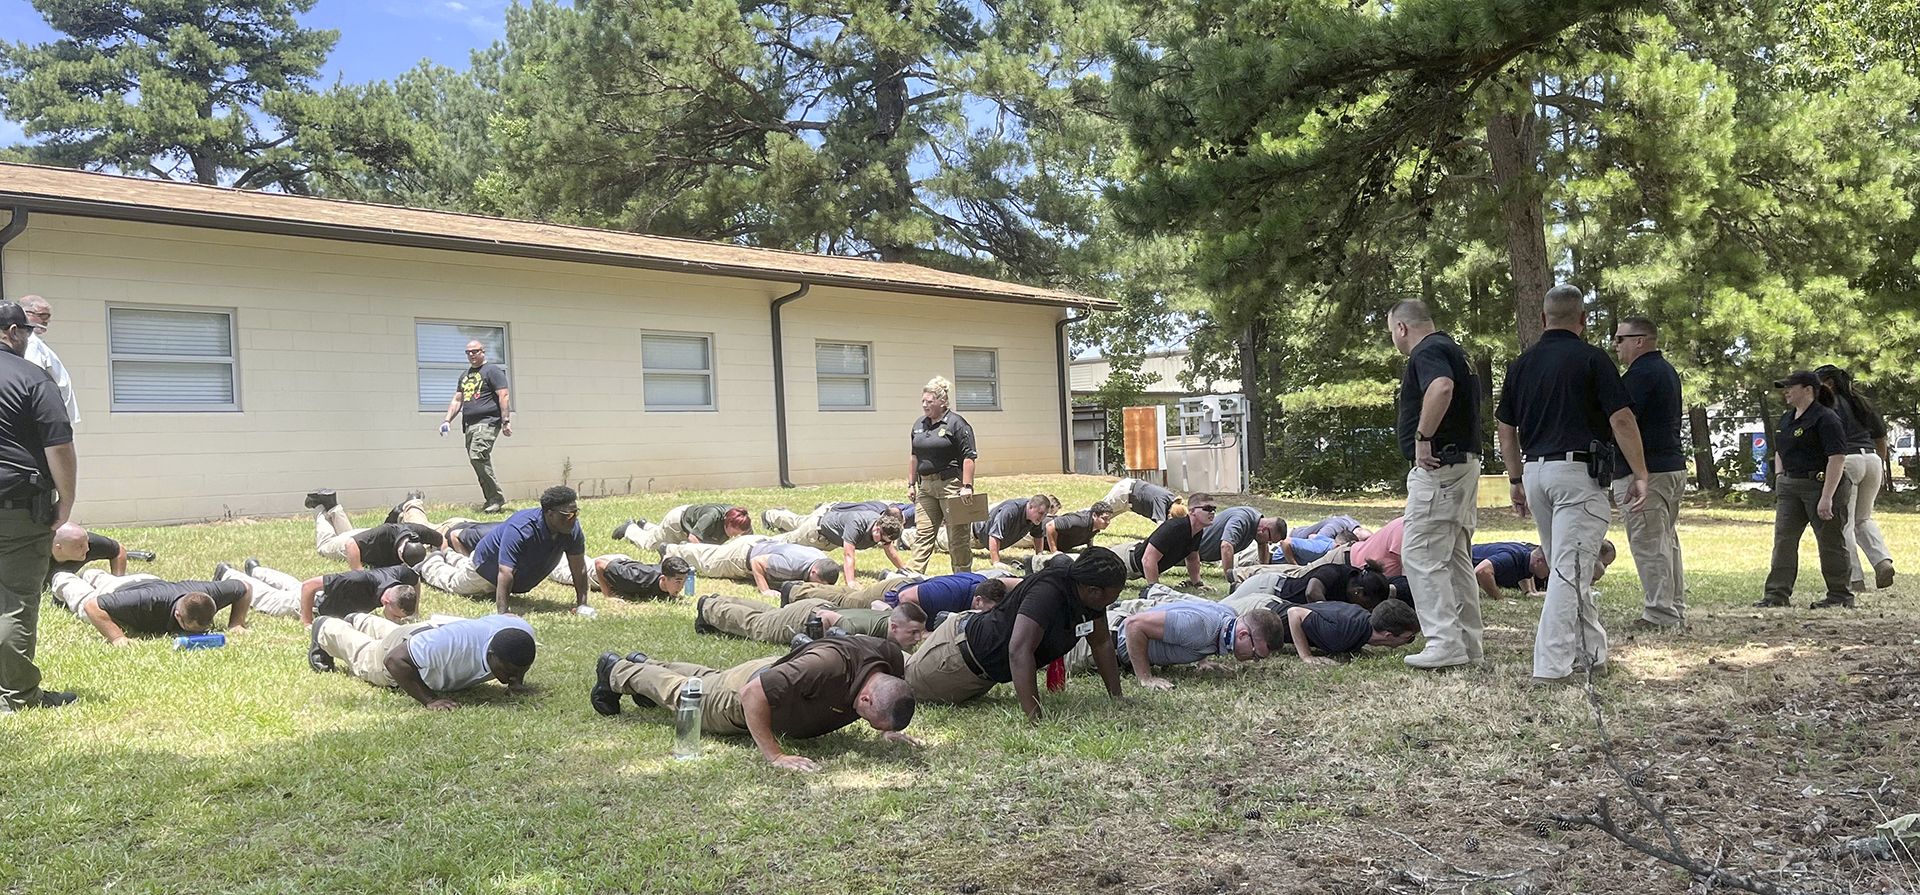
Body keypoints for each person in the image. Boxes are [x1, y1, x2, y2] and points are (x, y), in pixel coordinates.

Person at [1496, 285, 1650, 685]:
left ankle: (1593, 652)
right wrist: (1640, 472)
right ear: (1582, 320)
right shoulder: (1592, 359)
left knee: (1570, 566)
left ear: (1544, 319)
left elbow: (1506, 428)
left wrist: (1515, 478)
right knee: (1569, 571)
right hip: (1577, 477)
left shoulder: (1521, 363)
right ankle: (1550, 666)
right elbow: (1621, 420)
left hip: (1536, 474)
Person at [589, 635, 919, 772]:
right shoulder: (826, 667)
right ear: (865, 698)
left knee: (711, 677)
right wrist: (775, 755)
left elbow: (893, 690)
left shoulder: (888, 659)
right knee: (686, 696)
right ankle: (618, 669)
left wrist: (886, 730)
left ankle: (646, 662)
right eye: (871, 721)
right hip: (748, 694)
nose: (868, 725)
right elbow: (752, 695)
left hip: (778, 672)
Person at [905, 547, 1129, 722]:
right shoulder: (1048, 592)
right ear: (1093, 590)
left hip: (983, 672)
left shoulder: (1090, 599)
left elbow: (1101, 644)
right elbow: (1019, 650)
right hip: (955, 657)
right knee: (904, 685)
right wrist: (1035, 718)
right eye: (1115, 592)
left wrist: (1117, 698)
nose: (1117, 596)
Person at [1388, 298, 1485, 671]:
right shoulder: (1453, 349)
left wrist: (1423, 436)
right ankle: (1467, 644)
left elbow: (1441, 387)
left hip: (1440, 466)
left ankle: (1444, 642)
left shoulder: (1427, 351)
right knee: (1456, 556)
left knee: (1421, 554)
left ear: (1401, 328)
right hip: (1462, 463)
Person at [0, 302, 77, 713]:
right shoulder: (33, 378)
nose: (30, 338)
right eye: (26, 331)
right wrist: (65, 502)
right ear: (11, 332)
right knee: (14, 600)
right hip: (16, 507)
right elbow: (59, 447)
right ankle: (18, 696)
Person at [1611, 316, 1688, 630]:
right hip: (1669, 467)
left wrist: (1635, 472)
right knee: (1665, 541)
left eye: (1620, 339)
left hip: (1647, 472)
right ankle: (1673, 607)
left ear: (1639, 340)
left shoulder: (1640, 375)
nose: (1616, 345)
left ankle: (1659, 614)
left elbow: (1623, 421)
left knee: (1649, 543)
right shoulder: (1665, 371)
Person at [416, 485, 591, 615]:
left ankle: (448, 553)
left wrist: (582, 604)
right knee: (453, 581)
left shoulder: (571, 529)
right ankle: (428, 561)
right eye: (567, 515)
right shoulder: (522, 528)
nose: (573, 519)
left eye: (576, 513)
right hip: (484, 570)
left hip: (504, 573)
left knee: (461, 563)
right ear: (550, 513)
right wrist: (503, 612)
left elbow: (578, 568)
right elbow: (505, 572)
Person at [1758, 370, 1853, 609]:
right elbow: (1779, 449)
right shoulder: (1787, 418)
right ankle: (1776, 594)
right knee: (1784, 540)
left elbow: (1837, 458)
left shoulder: (1826, 418)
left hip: (1820, 484)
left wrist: (1827, 497)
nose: (1786, 392)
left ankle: (1840, 595)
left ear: (1808, 390)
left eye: (1791, 387)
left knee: (1830, 541)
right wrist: (1780, 476)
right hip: (1790, 485)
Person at [310, 612, 535, 711]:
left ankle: (361, 619)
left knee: (403, 636)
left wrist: (516, 683)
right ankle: (326, 627)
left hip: (427, 634)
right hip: (408, 647)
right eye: (509, 673)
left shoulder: (521, 634)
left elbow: (511, 619)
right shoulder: (452, 647)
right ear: (492, 654)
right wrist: (430, 700)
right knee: (367, 656)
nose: (514, 678)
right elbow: (395, 660)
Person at [1816, 364, 1896, 592]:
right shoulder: (1861, 402)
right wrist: (1879, 464)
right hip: (1871, 459)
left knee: (1844, 523)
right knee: (1864, 518)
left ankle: (1855, 579)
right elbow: (1881, 438)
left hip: (1846, 460)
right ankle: (1882, 561)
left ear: (1828, 383)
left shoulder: (1827, 404)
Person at [1101, 595, 1284, 689]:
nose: (1252, 660)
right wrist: (1145, 678)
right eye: (1255, 655)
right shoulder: (1202, 627)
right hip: (1104, 643)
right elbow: (1134, 625)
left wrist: (1202, 660)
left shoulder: (1228, 617)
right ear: (1243, 635)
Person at [50, 569, 251, 646]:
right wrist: (118, 638)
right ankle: (62, 577)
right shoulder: (147, 601)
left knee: (98, 578)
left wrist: (236, 623)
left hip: (149, 580)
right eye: (191, 629)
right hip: (122, 590)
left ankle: (93, 574)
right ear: (178, 615)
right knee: (84, 603)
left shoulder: (208, 593)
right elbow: (93, 606)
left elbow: (245, 587)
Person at [906, 376, 978, 574]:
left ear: (942, 402)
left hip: (951, 486)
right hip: (926, 487)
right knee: (923, 534)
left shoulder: (957, 424)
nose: (925, 405)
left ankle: (962, 578)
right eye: (923, 401)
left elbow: (969, 457)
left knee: (957, 537)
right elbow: (914, 456)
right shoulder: (919, 425)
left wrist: (967, 486)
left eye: (929, 402)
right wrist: (911, 484)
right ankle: (913, 577)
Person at [211, 558, 419, 625]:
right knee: (270, 598)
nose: (395, 620)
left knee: (291, 583)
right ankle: (227, 574)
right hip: (315, 603)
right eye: (395, 616)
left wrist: (415, 610)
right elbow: (309, 586)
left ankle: (255, 569)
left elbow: (415, 578)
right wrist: (307, 621)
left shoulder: (399, 575)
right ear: (385, 601)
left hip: (322, 596)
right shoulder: (358, 580)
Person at [693, 592, 928, 650]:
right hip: (810, 616)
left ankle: (721, 599)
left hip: (816, 605)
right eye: (913, 633)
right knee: (758, 626)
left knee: (767, 614)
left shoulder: (891, 618)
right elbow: (827, 619)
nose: (917, 638)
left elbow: (879, 605)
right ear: (895, 627)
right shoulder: (855, 631)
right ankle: (708, 607)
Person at [437, 340, 512, 513]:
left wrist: (505, 420)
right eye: (468, 352)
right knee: (476, 460)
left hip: (487, 421)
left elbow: (504, 395)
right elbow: (457, 400)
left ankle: (496, 499)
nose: (471, 355)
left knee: (478, 455)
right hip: (469, 425)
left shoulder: (492, 371)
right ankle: (491, 499)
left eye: (475, 351)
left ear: (483, 352)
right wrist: (447, 420)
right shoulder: (465, 375)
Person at [660, 535, 840, 601]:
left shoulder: (822, 558)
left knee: (711, 553)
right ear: (814, 572)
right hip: (743, 554)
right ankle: (669, 549)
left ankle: (685, 547)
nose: (819, 587)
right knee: (708, 563)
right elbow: (758, 562)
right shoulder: (790, 566)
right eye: (820, 583)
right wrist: (765, 590)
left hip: (763, 542)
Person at [762, 500, 908, 581]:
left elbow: (890, 550)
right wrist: (851, 582)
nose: (881, 542)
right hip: (816, 532)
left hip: (830, 535)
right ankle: (760, 541)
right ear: (877, 528)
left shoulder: (884, 527)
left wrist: (904, 570)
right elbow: (848, 555)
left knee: (798, 521)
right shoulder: (857, 523)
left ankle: (773, 515)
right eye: (881, 539)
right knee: (786, 542)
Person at [305, 489, 442, 569]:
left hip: (366, 534)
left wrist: (446, 554)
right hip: (352, 543)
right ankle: (319, 507)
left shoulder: (415, 530)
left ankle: (332, 505)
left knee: (346, 534)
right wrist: (358, 573)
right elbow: (351, 544)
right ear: (400, 554)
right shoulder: (386, 547)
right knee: (324, 546)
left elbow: (441, 540)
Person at [1270, 600, 1421, 666]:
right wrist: (1306, 656)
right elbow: (1294, 613)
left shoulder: (1361, 621)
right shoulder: (1342, 633)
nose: (1409, 641)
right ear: (1388, 635)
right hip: (1263, 612)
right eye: (1409, 638)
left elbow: (1320, 606)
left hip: (1273, 605)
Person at [1105, 496, 1216, 585]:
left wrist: (1197, 583)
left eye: (1214, 509)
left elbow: (1192, 558)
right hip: (1122, 560)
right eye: (1207, 508)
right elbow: (1148, 560)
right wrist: (1155, 588)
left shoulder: (1197, 531)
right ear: (1192, 511)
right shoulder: (1174, 528)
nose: (1212, 512)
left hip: (1134, 562)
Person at [1220, 560, 1393, 613]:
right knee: (1221, 611)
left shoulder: (1355, 584)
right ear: (1359, 592)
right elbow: (1312, 591)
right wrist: (1329, 614)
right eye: (1368, 605)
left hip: (1275, 599)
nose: (1367, 609)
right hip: (1267, 588)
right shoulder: (1335, 572)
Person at [16, 296, 76, 424]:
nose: (46, 321)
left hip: (55, 415)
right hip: (49, 418)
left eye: (48, 317)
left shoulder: (36, 342)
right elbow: (33, 381)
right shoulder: (30, 343)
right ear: (26, 314)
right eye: (43, 316)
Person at [1196, 505, 1286, 581]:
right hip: (1189, 550)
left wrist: (1263, 572)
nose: (1268, 543)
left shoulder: (1257, 523)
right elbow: (1226, 546)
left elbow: (1262, 544)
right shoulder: (1241, 519)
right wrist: (1231, 578)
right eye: (1269, 540)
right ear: (1264, 530)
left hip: (1201, 555)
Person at [611, 504, 751, 552]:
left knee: (659, 533)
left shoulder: (741, 520)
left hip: (692, 521)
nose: (735, 536)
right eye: (734, 533)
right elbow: (693, 538)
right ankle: (630, 528)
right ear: (727, 522)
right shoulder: (711, 516)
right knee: (651, 544)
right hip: (678, 523)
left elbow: (750, 539)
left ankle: (645, 525)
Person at [547, 555, 690, 601]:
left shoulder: (666, 577)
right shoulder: (636, 579)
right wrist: (608, 594)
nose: (681, 587)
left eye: (683, 581)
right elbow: (600, 565)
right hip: (599, 572)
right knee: (555, 568)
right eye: (678, 582)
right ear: (664, 579)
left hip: (623, 563)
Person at [960, 495, 1053, 566]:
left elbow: (1038, 535)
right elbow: (994, 535)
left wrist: (1039, 556)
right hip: (973, 535)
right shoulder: (1010, 511)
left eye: (1045, 514)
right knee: (951, 542)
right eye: (1040, 513)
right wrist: (996, 562)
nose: (1042, 517)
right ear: (1031, 507)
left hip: (986, 540)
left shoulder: (1035, 519)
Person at [51, 523, 149, 577]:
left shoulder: (89, 544)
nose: (87, 548)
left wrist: (117, 581)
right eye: (80, 546)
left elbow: (118, 550)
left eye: (86, 543)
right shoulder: (37, 553)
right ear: (59, 548)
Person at [1281, 515, 1369, 564]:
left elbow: (1313, 536)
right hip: (1294, 538)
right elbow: (1285, 543)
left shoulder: (1353, 525)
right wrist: (1295, 567)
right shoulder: (1324, 544)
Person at [1472, 542, 1548, 599]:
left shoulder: (1526, 556)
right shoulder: (1509, 558)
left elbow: (1523, 569)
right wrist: (1498, 598)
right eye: (1550, 566)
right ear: (1539, 561)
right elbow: (1482, 571)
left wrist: (1529, 592)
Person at [1101, 478, 1185, 522]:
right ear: (1170, 515)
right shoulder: (1161, 502)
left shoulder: (1172, 499)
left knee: (1104, 518)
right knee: (1098, 513)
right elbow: (1161, 529)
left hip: (1130, 499)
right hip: (1124, 493)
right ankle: (1087, 519)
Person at [1043, 502, 1114, 554]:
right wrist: (1054, 552)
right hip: (1039, 532)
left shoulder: (1096, 525)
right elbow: (1050, 526)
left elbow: (1089, 534)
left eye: (1109, 519)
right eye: (1104, 518)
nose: (1107, 522)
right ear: (1094, 515)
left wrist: (1090, 548)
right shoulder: (1079, 521)